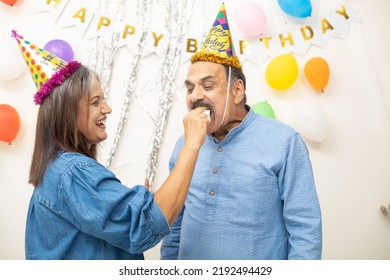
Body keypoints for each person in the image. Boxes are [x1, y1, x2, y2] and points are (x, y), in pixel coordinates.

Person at [12, 30, 208, 259]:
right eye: (96, 102)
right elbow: (144, 227)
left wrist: (127, 206)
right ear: (68, 112)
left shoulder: (58, 169)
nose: (107, 108)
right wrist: (192, 144)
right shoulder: (73, 172)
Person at [160, 4, 322, 260]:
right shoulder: (184, 145)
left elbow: (305, 230)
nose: (195, 96)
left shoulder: (284, 142)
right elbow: (174, 224)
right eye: (190, 88)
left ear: (237, 91)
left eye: (208, 85)